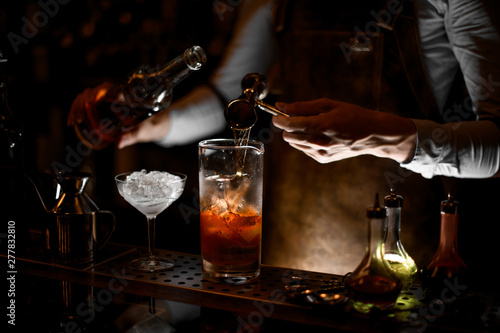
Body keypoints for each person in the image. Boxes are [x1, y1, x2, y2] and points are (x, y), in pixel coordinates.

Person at [69, 0, 500, 291]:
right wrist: (151, 126)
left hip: (402, 257)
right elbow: (226, 99)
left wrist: (384, 136)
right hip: (290, 263)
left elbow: (497, 145)